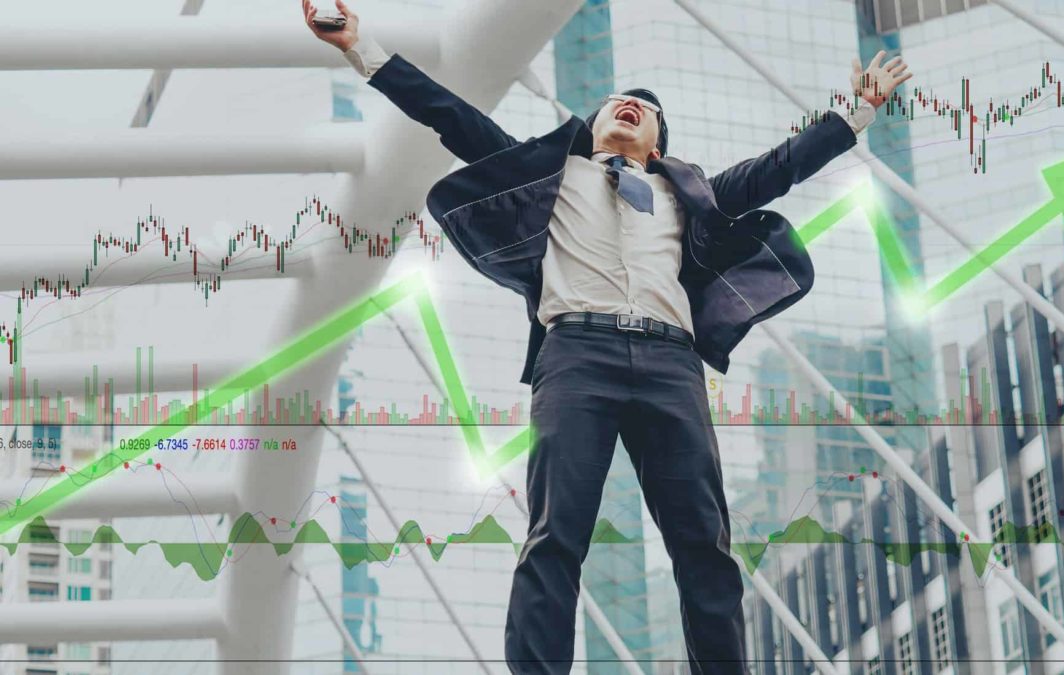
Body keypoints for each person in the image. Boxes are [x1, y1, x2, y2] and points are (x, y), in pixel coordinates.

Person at [303, 1, 911, 672]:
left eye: (643, 107)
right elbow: (451, 116)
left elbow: (779, 167)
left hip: (668, 363)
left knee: (703, 545)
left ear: (657, 146)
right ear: (592, 128)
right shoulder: (550, 177)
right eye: (617, 100)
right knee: (554, 535)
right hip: (576, 357)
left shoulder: (690, 195)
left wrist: (854, 112)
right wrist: (361, 47)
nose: (627, 103)